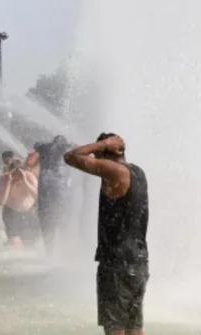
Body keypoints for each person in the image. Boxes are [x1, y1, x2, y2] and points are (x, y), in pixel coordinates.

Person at [64, 133, 149, 335]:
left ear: (105, 152)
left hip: (116, 262)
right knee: (134, 327)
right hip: (138, 261)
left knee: (115, 328)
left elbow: (71, 157)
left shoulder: (114, 171)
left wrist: (101, 144)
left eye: (97, 154)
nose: (94, 160)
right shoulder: (138, 172)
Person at [27, 135, 73, 254]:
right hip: (60, 192)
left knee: (47, 221)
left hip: (47, 190)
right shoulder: (66, 150)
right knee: (62, 222)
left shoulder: (44, 148)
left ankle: (50, 252)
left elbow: (36, 145)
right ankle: (63, 251)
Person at [0, 159, 39, 248]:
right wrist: (8, 183)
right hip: (10, 212)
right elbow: (1, 201)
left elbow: (37, 196)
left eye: (17, 174)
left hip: (28, 213)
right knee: (14, 243)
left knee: (29, 244)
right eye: (13, 174)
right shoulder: (5, 178)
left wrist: (24, 181)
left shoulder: (30, 177)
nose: (15, 178)